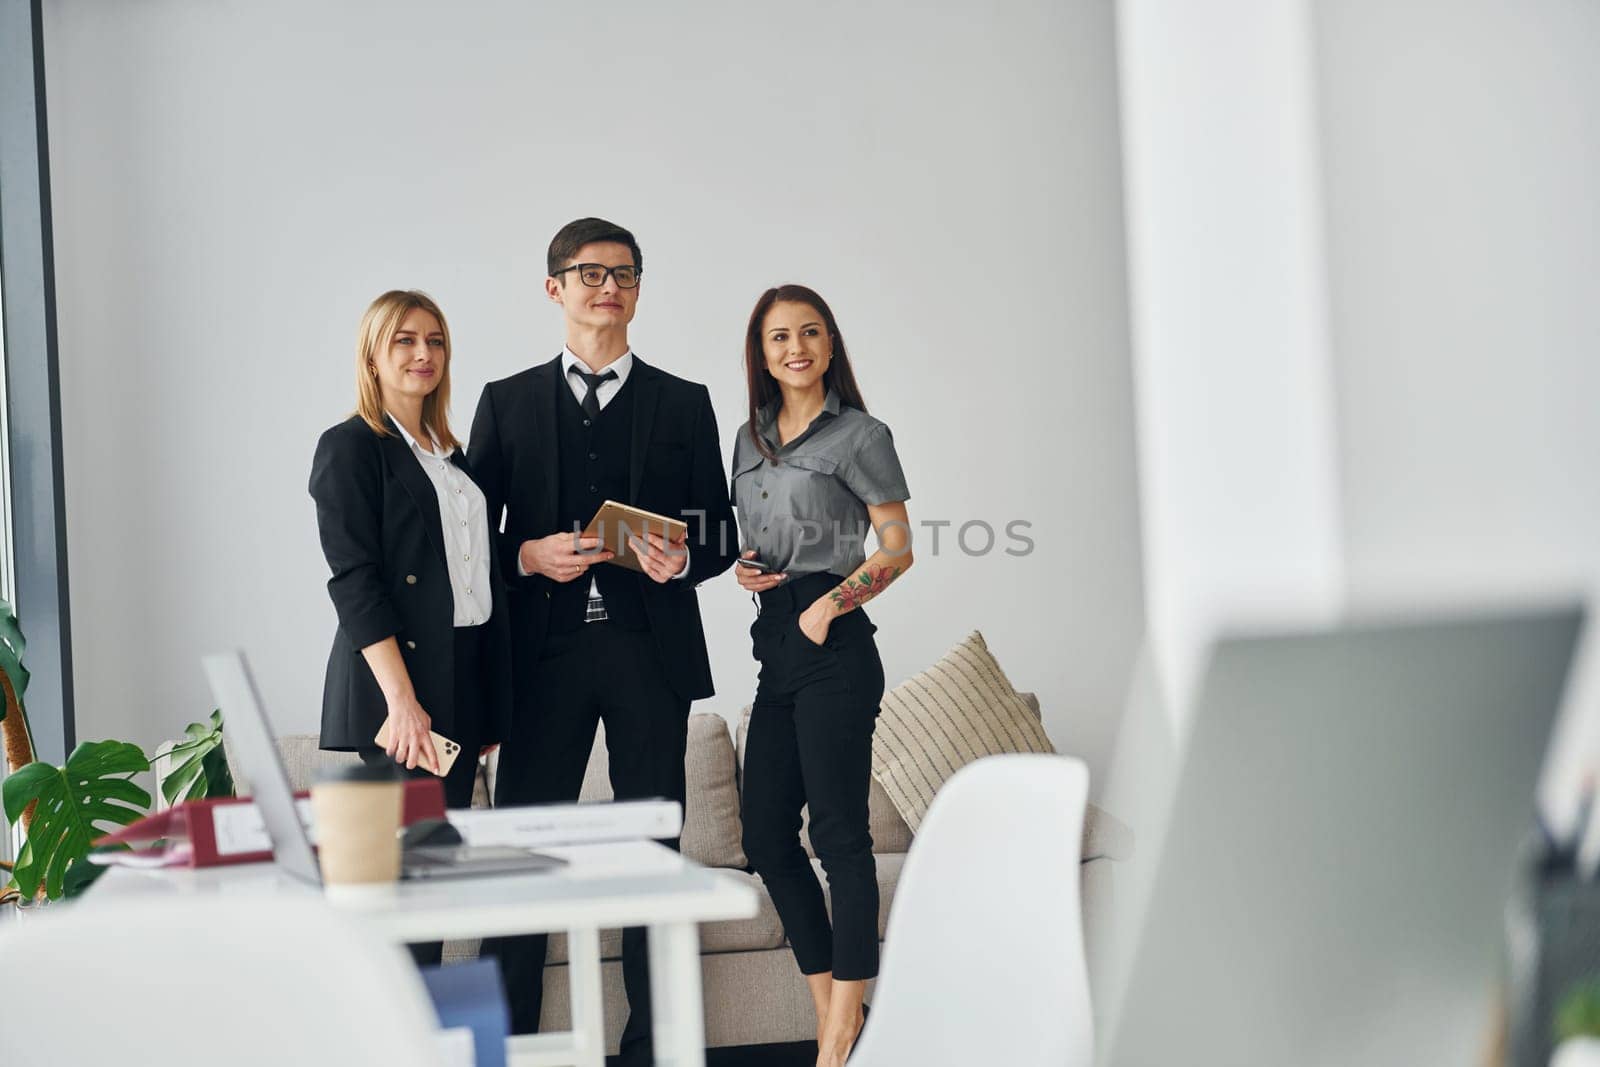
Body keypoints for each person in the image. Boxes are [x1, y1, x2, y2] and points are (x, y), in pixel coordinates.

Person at [467, 217, 738, 1059]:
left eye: (623, 274)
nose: (608, 288)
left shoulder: (684, 402)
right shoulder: (504, 401)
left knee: (651, 849)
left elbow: (720, 533)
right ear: (555, 288)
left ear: (638, 288)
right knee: (519, 848)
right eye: (590, 274)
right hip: (541, 657)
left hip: (646, 653)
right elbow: (469, 542)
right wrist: (525, 552)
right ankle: (497, 1041)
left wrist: (683, 554)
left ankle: (654, 1045)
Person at [730, 284, 913, 1067]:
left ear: (830, 343)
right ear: (762, 353)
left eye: (809, 332)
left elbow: (898, 547)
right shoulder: (749, 436)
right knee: (766, 833)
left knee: (839, 836)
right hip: (776, 644)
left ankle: (838, 1032)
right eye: (778, 337)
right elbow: (763, 533)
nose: (795, 347)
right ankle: (832, 1004)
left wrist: (828, 605)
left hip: (834, 645)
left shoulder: (862, 434)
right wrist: (747, 568)